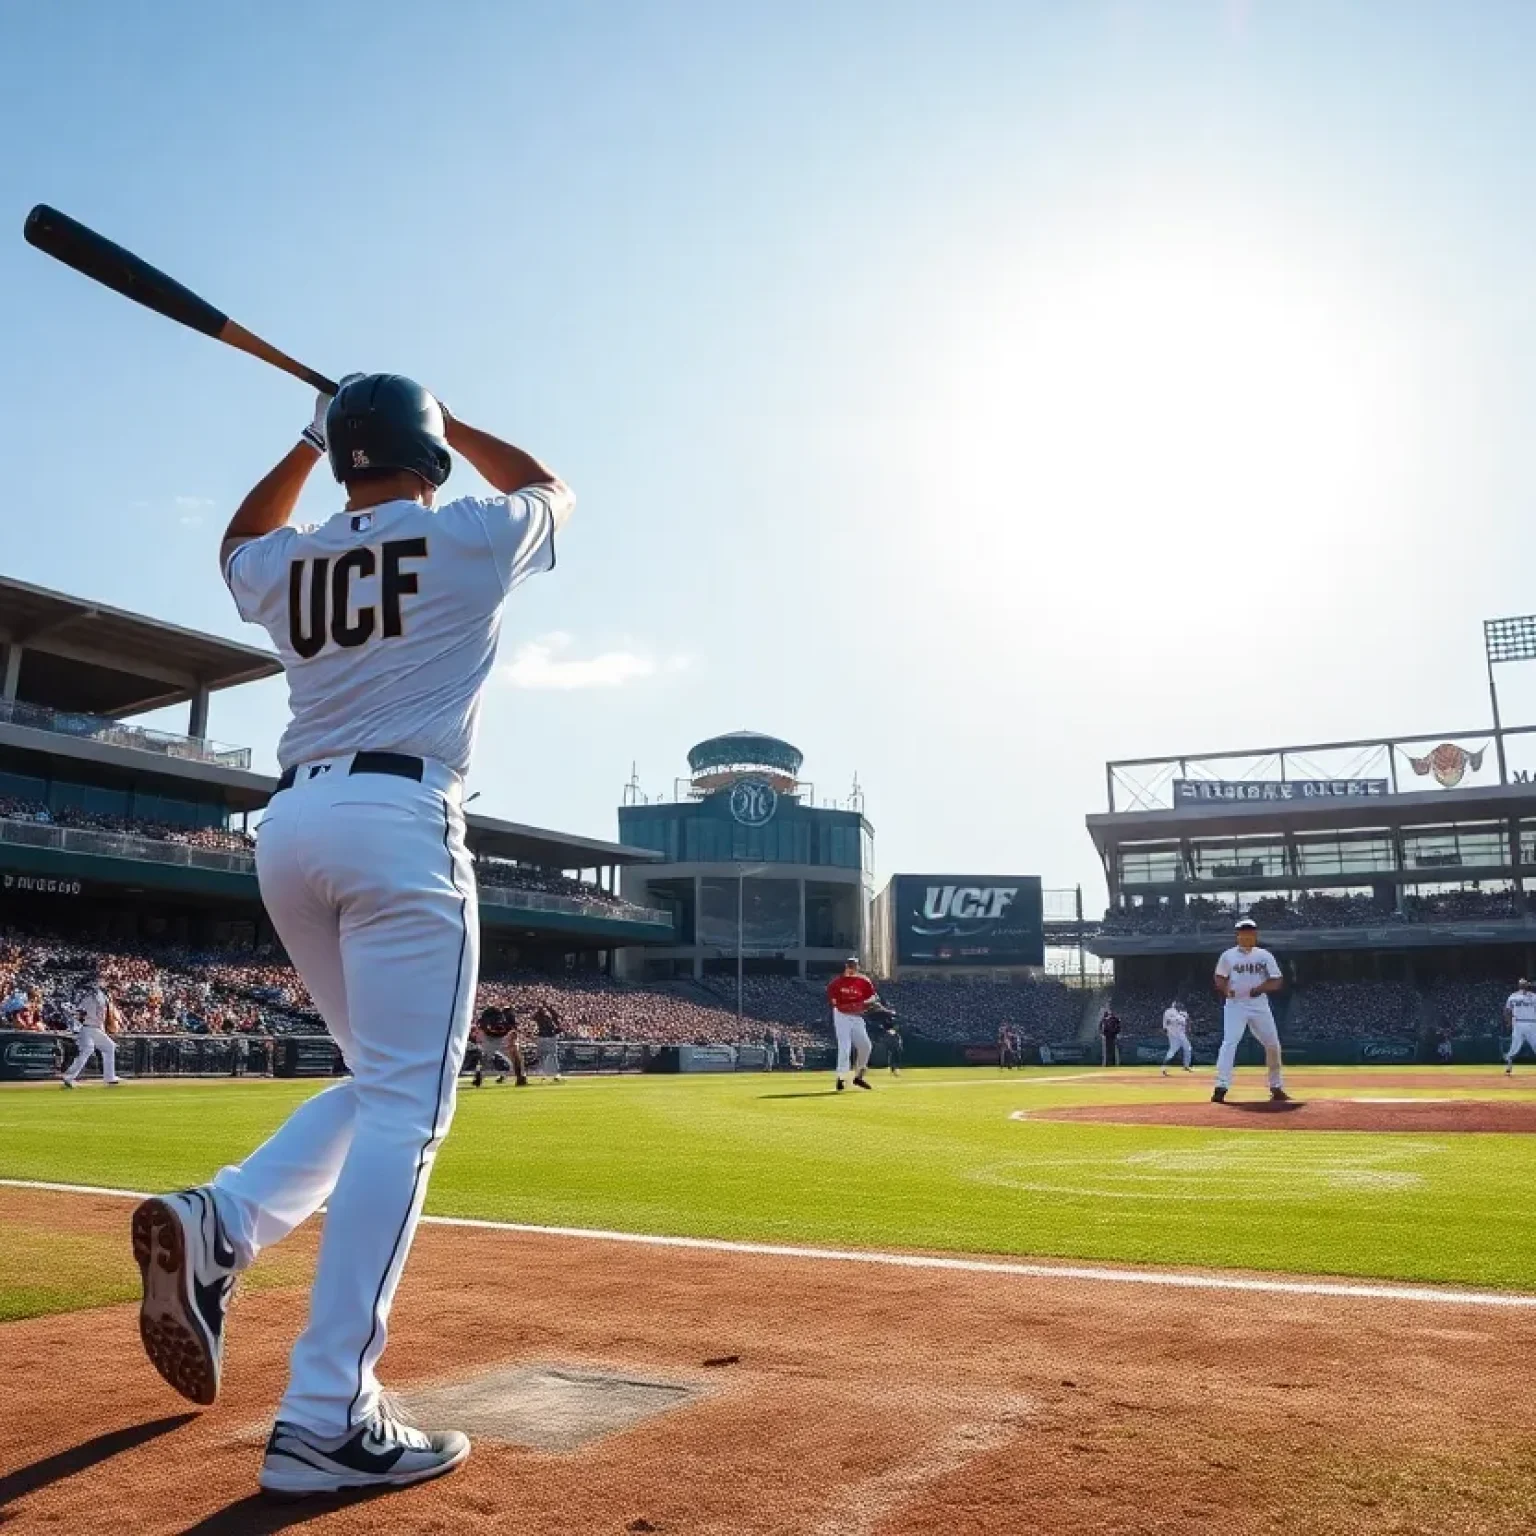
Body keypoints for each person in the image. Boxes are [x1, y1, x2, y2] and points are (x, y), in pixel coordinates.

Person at [128, 373, 570, 1498]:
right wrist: (457, 420)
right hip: (403, 820)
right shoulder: (469, 532)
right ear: (431, 457)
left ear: (340, 454)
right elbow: (553, 487)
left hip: (292, 825)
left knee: (382, 1085)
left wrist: (302, 431)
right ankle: (327, 1412)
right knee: (412, 1112)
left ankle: (222, 1219)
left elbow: (237, 540)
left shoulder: (294, 557)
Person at [1212, 919, 1287, 1103]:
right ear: (1237, 935)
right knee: (1229, 1043)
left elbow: (1276, 980)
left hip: (1259, 1004)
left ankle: (1276, 1086)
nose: (1247, 935)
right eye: (1243, 932)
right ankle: (1221, 1086)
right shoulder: (1228, 956)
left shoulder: (1264, 955)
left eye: (1250, 932)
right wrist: (1225, 989)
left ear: (1255, 935)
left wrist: (1260, 988)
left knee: (1273, 1044)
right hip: (1235, 1004)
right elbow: (1220, 977)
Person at [62, 970, 122, 1088]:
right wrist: (76, 1019)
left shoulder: (101, 996)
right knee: (87, 1050)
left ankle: (110, 1077)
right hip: (87, 1028)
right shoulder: (90, 997)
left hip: (95, 1029)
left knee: (109, 1047)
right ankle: (68, 1077)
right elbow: (80, 1012)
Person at [826, 957, 877, 1091]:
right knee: (845, 1047)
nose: (851, 968)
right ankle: (841, 1077)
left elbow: (872, 996)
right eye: (849, 966)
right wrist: (853, 1005)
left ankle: (859, 1076)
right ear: (846, 966)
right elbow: (835, 1003)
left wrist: (866, 1003)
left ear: (857, 967)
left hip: (857, 1016)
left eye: (854, 966)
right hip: (842, 1015)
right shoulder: (836, 983)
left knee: (866, 1046)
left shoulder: (864, 981)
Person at [1503, 979, 1536, 1075]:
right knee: (1514, 1047)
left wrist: (1508, 1022)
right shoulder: (1514, 996)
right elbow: (1506, 1010)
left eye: (1524, 984)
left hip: (1529, 1023)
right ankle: (1508, 1068)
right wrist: (1509, 1022)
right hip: (1522, 1023)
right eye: (1522, 984)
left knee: (1516, 1046)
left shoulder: (1532, 996)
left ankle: (1508, 1068)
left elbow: (1506, 1011)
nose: (1523, 985)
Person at [1160, 1000, 1193, 1074]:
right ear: (1174, 1005)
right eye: (1177, 1004)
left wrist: (1188, 1028)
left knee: (1186, 1048)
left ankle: (1186, 1066)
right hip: (1174, 1034)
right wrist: (1166, 1030)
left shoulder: (1183, 1013)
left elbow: (1187, 1023)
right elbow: (1166, 1022)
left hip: (1179, 1034)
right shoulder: (1169, 1011)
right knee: (1176, 1050)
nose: (1179, 1005)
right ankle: (1164, 1067)